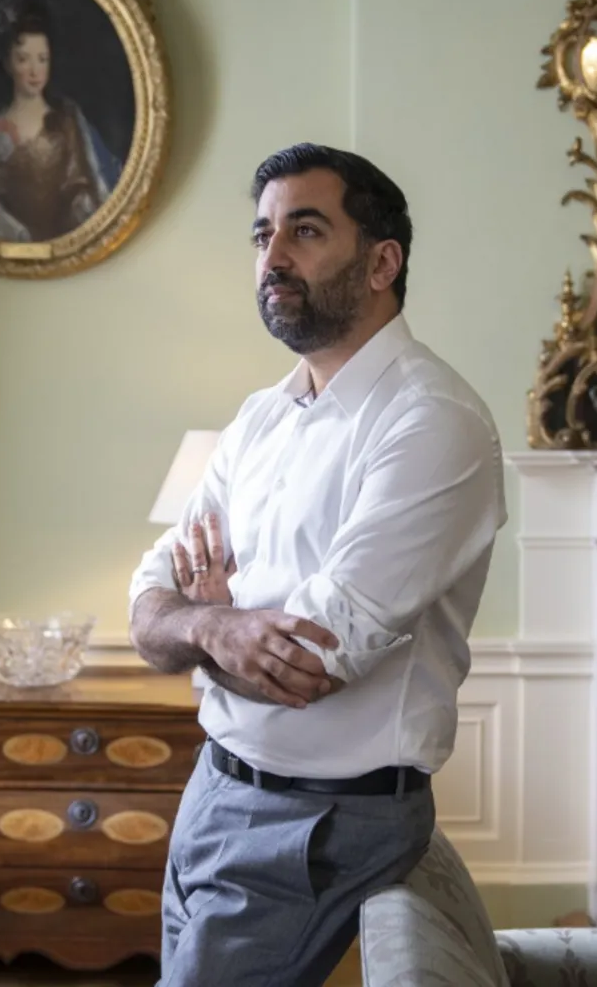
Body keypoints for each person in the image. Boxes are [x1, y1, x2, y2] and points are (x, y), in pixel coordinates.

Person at [127, 143, 507, 985]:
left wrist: (201, 625)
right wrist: (218, 626)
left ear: (383, 261)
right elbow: (146, 610)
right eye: (262, 234)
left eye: (305, 230)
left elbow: (310, 664)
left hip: (321, 819)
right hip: (215, 787)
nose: (273, 257)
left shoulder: (433, 421)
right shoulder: (261, 417)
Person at [0, 0, 122, 242]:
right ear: (8, 63)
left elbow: (92, 184)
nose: (35, 71)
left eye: (42, 59)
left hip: (71, 241)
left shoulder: (67, 117)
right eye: (24, 59)